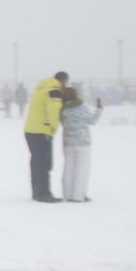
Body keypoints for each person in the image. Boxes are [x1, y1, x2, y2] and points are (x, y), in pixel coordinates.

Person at [24, 71, 68, 203]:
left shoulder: (40, 89)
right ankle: (44, 194)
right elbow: (54, 109)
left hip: (30, 129)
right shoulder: (54, 89)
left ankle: (37, 192)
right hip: (42, 130)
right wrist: (53, 127)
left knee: (36, 162)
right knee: (44, 163)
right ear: (63, 80)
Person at [59, 87, 103, 202]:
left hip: (68, 142)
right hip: (82, 142)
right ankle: (78, 195)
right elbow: (92, 120)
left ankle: (67, 195)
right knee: (81, 169)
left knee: (68, 169)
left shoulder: (62, 109)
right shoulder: (80, 107)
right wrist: (99, 110)